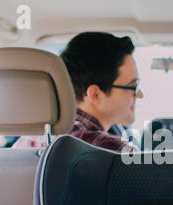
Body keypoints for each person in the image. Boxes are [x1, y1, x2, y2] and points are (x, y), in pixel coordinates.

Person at [13, 32, 142, 151]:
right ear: (95, 95)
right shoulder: (115, 152)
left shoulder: (27, 141)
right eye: (133, 87)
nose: (140, 95)